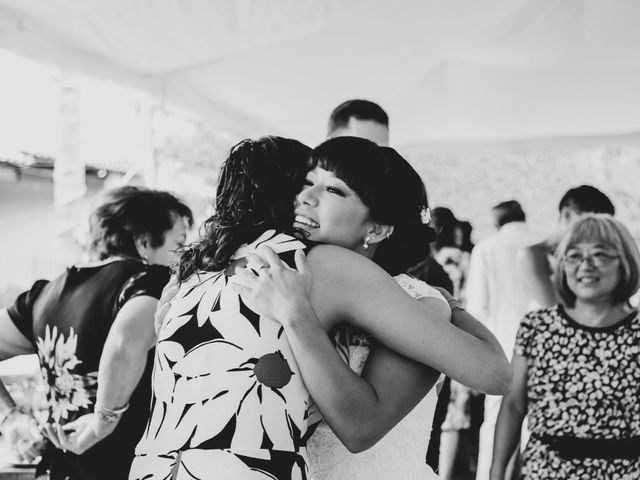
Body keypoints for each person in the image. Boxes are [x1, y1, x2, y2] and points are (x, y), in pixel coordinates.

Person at [132, 136, 511, 479]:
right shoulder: (293, 268)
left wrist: (448, 303)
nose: (306, 197)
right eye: (306, 182)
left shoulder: (225, 267)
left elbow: (494, 375)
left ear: (376, 229)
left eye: (333, 189)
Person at [0, 186, 192, 480]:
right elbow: (124, 343)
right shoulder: (149, 282)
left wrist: (9, 417)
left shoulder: (41, 296)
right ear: (143, 242)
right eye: (178, 243)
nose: (181, 257)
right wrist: (104, 419)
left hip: (61, 470)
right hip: (129, 468)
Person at [491, 214, 640, 479]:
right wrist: (497, 472)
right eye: (573, 256)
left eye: (600, 255)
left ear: (625, 263)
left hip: (624, 472)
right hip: (547, 470)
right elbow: (514, 404)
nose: (586, 265)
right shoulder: (537, 326)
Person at [465, 200, 542, 480]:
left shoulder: (486, 248)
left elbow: (476, 307)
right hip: (545, 348)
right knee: (536, 423)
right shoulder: (544, 242)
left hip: (503, 348)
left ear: (497, 222)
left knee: (495, 424)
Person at [519, 185, 615, 309]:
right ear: (567, 215)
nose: (598, 232)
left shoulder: (592, 254)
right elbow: (553, 308)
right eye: (591, 223)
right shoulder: (533, 254)